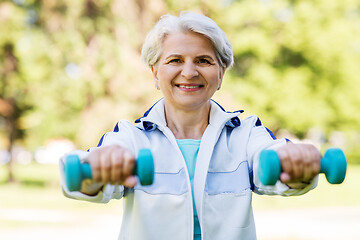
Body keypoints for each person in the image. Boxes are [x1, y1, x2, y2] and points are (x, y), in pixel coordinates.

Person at [60, 11, 320, 240]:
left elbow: (272, 160)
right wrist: (97, 170)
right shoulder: (131, 137)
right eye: (174, 60)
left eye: (203, 61)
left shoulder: (246, 133)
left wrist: (295, 163)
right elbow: (86, 178)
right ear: (155, 73)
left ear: (220, 74)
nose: (189, 72)